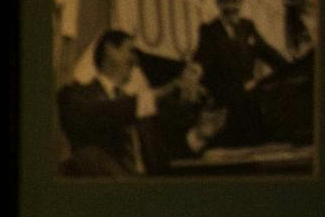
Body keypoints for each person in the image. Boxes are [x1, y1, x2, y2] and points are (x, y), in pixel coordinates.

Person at [56, 29, 218, 176]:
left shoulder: (140, 107)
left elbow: (165, 158)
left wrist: (199, 135)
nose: (135, 60)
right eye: (131, 51)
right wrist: (158, 95)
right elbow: (99, 114)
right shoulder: (75, 95)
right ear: (110, 49)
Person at [189, 0, 300, 148]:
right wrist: (194, 72)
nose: (230, 7)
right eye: (225, 1)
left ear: (240, 1)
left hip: (251, 108)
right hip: (225, 111)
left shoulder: (248, 27)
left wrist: (294, 70)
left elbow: (270, 54)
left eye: (234, 1)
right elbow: (201, 58)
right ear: (218, 2)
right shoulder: (210, 30)